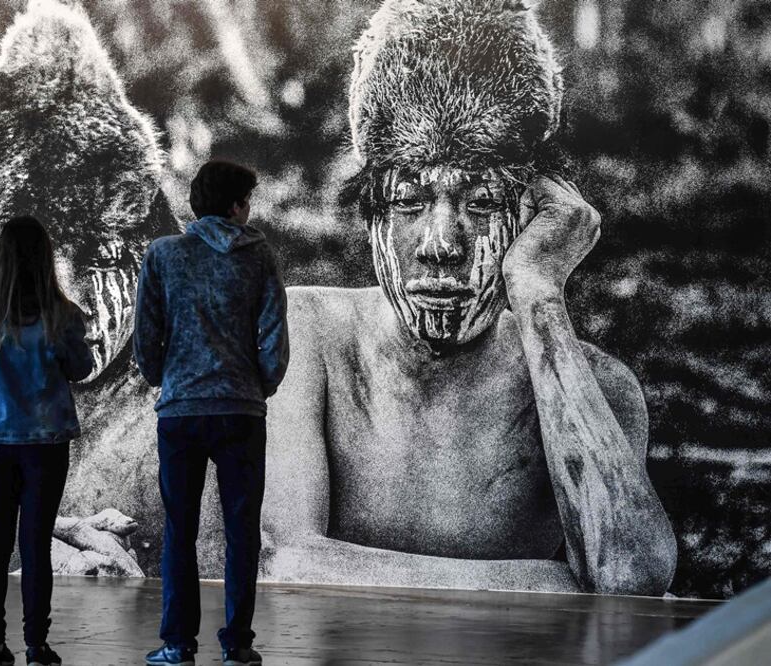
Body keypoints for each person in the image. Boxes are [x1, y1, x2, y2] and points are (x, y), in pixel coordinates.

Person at [259, 0, 677, 596]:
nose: (440, 245)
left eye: (481, 203)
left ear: (532, 211)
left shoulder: (599, 392)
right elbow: (283, 566)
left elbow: (631, 581)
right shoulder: (301, 335)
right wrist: (555, 587)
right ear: (371, 211)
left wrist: (537, 293)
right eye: (409, 202)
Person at [134, 160, 290, 666]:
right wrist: (260, 385)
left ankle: (178, 644)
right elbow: (272, 336)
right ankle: (238, 645)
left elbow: (146, 338)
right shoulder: (259, 256)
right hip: (242, 411)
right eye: (248, 201)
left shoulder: (163, 254)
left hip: (180, 412)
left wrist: (165, 378)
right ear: (236, 205)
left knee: (180, 527)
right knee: (241, 528)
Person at [0, 216, 95, 666]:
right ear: (46, 262)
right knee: (36, 544)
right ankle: (37, 646)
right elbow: (81, 370)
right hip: (47, 444)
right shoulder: (65, 315)